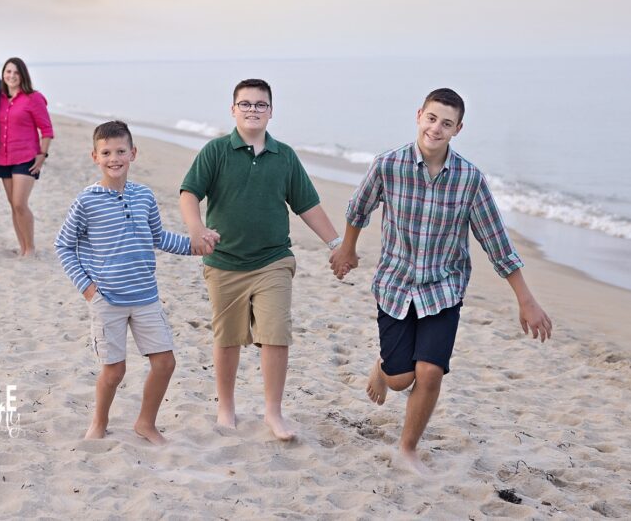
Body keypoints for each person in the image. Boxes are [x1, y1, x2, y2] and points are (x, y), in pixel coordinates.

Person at [330, 87, 553, 475]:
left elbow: (496, 241)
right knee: (401, 379)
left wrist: (526, 299)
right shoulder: (389, 165)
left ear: (458, 129)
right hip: (396, 286)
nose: (436, 128)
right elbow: (358, 207)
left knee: (430, 372)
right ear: (419, 115)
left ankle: (407, 449)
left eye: (446, 123)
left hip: (443, 288)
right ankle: (382, 368)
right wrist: (348, 250)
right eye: (431, 118)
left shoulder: (469, 179)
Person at [180, 79, 341, 441]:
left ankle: (273, 412)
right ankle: (226, 406)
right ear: (233, 109)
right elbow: (190, 192)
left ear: (271, 111)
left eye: (260, 104)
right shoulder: (216, 151)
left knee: (276, 334)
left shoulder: (284, 156)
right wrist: (196, 228)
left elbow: (307, 206)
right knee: (228, 338)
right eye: (246, 104)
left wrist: (336, 242)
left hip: (273, 261)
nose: (253, 110)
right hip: (224, 262)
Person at [55, 121, 218, 445]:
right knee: (114, 371)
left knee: (165, 363)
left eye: (120, 151)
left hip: (145, 296)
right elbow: (63, 245)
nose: (114, 158)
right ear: (95, 157)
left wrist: (195, 245)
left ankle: (145, 423)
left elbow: (158, 237)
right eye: (106, 153)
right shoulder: (87, 200)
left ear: (133, 153)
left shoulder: (144, 195)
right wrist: (87, 288)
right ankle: (98, 423)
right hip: (107, 299)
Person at [0, 57, 53, 257]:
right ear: (3, 74)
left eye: (16, 72)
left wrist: (42, 155)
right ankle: (22, 248)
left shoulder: (33, 98)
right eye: (8, 72)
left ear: (23, 75)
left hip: (26, 157)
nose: (11, 76)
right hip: (3, 158)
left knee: (20, 203)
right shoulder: (0, 98)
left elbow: (46, 129)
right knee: (13, 205)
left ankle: (30, 248)